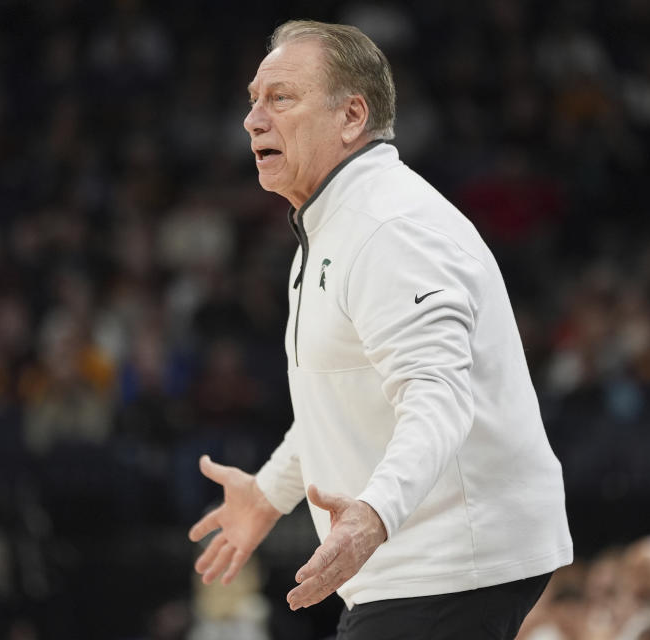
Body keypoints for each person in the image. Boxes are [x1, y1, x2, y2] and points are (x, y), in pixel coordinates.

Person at [188, 20, 572, 640]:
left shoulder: (389, 228)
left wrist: (373, 514)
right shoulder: (330, 224)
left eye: (280, 98)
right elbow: (344, 401)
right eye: (253, 99)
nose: (252, 119)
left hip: (452, 558)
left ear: (351, 116)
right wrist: (268, 493)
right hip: (419, 560)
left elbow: (439, 398)